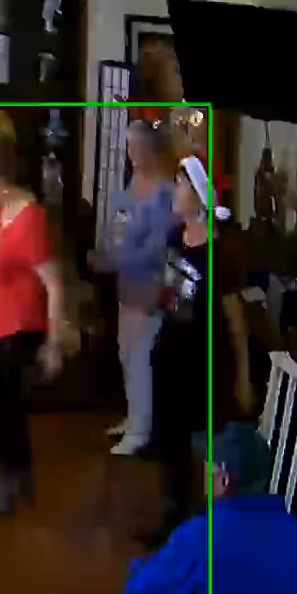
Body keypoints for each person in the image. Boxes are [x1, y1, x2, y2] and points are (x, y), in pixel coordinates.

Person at [145, 154, 256, 544]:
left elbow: (234, 318)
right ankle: (173, 518)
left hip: (204, 360)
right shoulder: (176, 238)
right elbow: (170, 289)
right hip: (171, 350)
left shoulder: (220, 255)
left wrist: (242, 375)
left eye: (180, 184)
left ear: (199, 194)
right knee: (171, 442)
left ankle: (213, 528)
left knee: (208, 445)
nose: (174, 191)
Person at [0, 133, 71, 520]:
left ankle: (10, 486)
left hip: (22, 325)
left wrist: (54, 342)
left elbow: (54, 283)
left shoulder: (30, 218)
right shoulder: (4, 213)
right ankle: (17, 479)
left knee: (0, 407)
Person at [119, 423, 297, 594]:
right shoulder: (292, 529)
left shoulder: (199, 535)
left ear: (224, 480)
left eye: (208, 469)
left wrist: (139, 567)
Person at [94, 118, 180, 457]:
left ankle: (142, 430)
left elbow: (160, 246)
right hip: (125, 283)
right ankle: (133, 417)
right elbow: (116, 225)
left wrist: (122, 256)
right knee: (125, 351)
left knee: (141, 356)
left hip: (149, 284)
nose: (131, 154)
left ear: (151, 148)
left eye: (136, 147)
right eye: (128, 147)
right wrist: (108, 252)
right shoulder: (132, 182)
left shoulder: (165, 191)